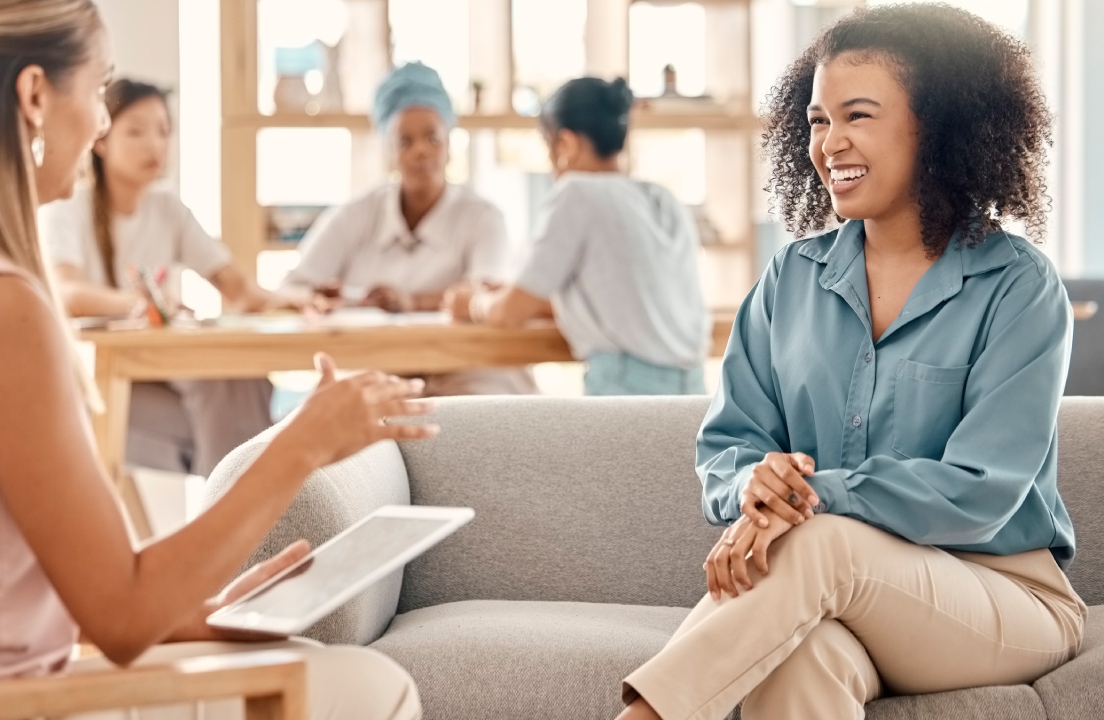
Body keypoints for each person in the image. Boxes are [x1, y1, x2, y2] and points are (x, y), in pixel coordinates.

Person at [0, 3, 431, 719]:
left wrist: (193, 613)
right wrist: (304, 443)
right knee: (370, 683)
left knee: (305, 659)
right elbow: (121, 616)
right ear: (34, 97)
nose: (104, 124)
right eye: (98, 90)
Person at [616, 6, 1084, 720]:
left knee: (820, 540)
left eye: (856, 115)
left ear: (939, 124)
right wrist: (757, 489)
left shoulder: (1018, 288)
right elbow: (728, 448)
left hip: (1001, 599)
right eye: (815, 121)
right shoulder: (790, 281)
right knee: (797, 659)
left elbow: (980, 490)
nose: (829, 143)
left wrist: (809, 498)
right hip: (836, 590)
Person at [40, 78, 282, 476]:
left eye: (163, 131)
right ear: (100, 140)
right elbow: (66, 294)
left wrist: (296, 299)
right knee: (237, 410)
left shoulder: (168, 206)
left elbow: (238, 289)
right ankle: (246, 511)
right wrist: (143, 304)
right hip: (98, 379)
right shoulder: (69, 206)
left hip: (165, 373)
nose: (154, 144)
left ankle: (238, 505)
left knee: (243, 379)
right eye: (136, 131)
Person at [281, 62, 534, 397]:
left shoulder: (483, 218)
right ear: (389, 150)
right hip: (379, 371)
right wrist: (317, 300)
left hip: (468, 371)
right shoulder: (355, 215)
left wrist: (410, 301)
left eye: (432, 138)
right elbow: (293, 288)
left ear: (449, 144)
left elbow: (488, 294)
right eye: (405, 141)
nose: (420, 151)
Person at [447, 77, 710, 396]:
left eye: (548, 147)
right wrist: (514, 293)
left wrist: (472, 302)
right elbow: (623, 299)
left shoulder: (576, 193)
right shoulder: (662, 197)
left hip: (626, 384)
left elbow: (508, 313)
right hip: (694, 386)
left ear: (566, 144)